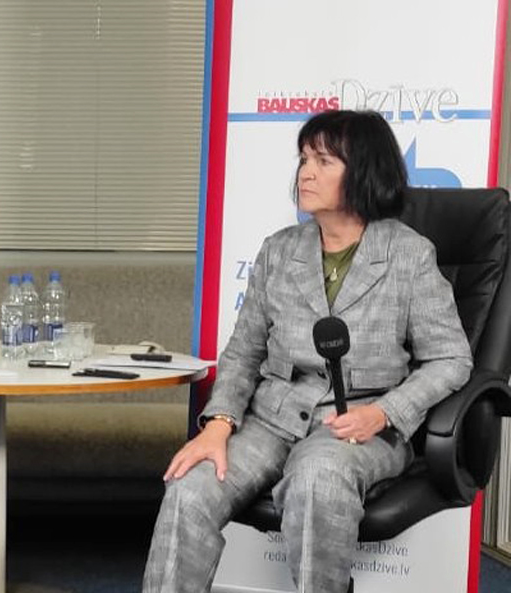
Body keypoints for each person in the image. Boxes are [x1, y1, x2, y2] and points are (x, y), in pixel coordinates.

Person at [142, 110, 473, 593]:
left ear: (363, 171)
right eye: (303, 159)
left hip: (358, 423)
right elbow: (243, 352)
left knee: (319, 477)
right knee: (189, 489)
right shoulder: (279, 251)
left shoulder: (409, 254)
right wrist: (219, 425)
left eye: (323, 161)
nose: (305, 173)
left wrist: (384, 412)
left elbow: (451, 358)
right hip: (272, 420)